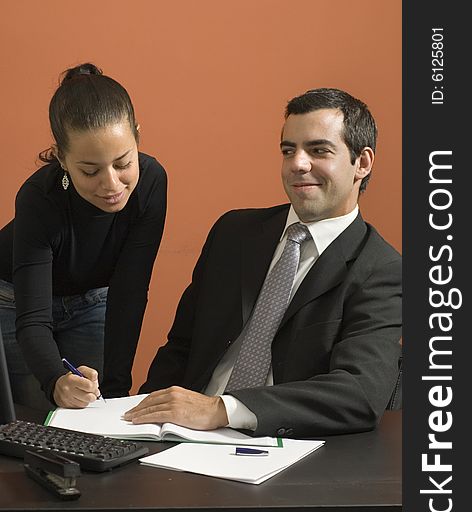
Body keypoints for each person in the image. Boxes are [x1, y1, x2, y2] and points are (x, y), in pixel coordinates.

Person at [125, 88, 401, 439]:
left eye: (318, 150)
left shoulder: (381, 269)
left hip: (280, 448)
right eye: (289, 150)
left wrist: (222, 409)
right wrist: (142, 420)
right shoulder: (233, 233)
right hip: (180, 436)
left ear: (362, 162)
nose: (298, 164)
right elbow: (180, 347)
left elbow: (359, 393)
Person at [0, 63, 167, 410]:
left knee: (95, 408)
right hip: (13, 299)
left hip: (91, 298)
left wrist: (118, 391)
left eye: (123, 163)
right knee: (36, 419)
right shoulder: (38, 198)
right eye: (90, 170)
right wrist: (54, 380)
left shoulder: (151, 181)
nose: (111, 185)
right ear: (62, 157)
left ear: (137, 136)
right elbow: (33, 318)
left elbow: (130, 292)